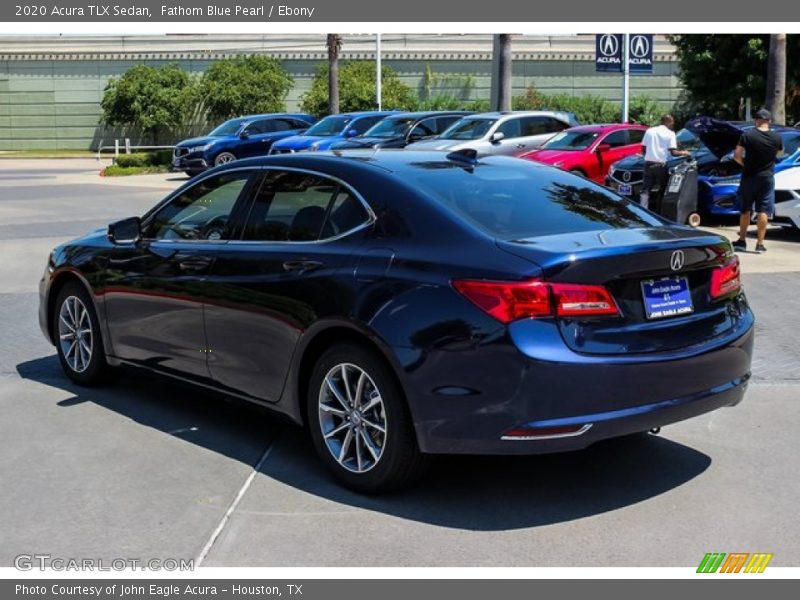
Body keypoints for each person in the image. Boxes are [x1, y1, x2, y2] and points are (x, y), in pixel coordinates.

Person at [732, 108, 784, 253]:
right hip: (767, 177)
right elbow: (780, 152)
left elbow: (737, 155)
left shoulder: (747, 135)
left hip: (749, 176)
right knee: (763, 211)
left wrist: (745, 164)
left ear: (756, 120)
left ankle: (742, 241)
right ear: (769, 121)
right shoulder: (776, 137)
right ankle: (760, 244)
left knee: (745, 209)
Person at [639, 114, 691, 210]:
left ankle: (643, 213)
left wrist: (649, 155)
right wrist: (685, 153)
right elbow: (674, 153)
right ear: (668, 122)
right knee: (662, 190)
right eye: (672, 123)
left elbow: (643, 149)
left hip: (648, 164)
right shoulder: (670, 134)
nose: (673, 125)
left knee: (645, 191)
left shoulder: (649, 131)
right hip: (660, 166)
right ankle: (659, 214)